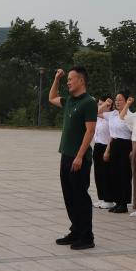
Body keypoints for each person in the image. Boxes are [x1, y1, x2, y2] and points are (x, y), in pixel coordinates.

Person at [48, 67, 98, 250]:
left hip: (79, 158)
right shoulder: (70, 100)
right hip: (66, 155)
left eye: (70, 79)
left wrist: (79, 156)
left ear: (81, 81)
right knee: (69, 197)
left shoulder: (89, 102)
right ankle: (76, 230)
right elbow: (52, 98)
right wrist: (57, 79)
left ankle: (87, 236)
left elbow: (90, 131)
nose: (68, 82)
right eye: (67, 79)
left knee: (80, 197)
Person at [104, 91, 134, 214]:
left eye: (120, 99)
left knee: (124, 175)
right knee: (114, 174)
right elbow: (97, 113)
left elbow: (134, 134)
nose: (117, 102)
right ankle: (117, 202)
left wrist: (132, 150)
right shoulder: (113, 114)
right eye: (116, 100)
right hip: (114, 144)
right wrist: (105, 104)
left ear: (127, 101)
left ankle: (124, 203)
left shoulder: (131, 115)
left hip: (125, 145)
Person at [91, 96, 113, 210]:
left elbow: (113, 135)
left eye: (101, 104)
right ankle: (101, 198)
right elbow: (93, 112)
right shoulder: (98, 117)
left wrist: (107, 151)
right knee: (98, 173)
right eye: (99, 104)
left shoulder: (112, 116)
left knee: (106, 174)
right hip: (97, 146)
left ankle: (108, 199)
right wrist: (102, 105)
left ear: (109, 105)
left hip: (107, 147)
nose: (99, 106)